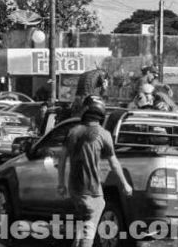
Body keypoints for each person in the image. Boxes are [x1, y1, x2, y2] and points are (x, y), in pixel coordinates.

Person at [57, 96, 133, 247]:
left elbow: (62, 160)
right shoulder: (104, 134)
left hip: (75, 189)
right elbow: (114, 163)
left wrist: (61, 184)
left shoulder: (73, 132)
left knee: (82, 223)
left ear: (85, 110)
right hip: (92, 189)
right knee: (90, 227)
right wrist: (125, 184)